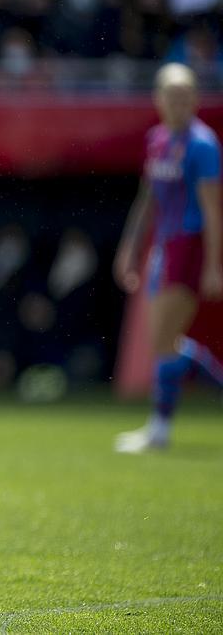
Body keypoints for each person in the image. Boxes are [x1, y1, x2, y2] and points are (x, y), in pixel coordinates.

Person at [114, 62, 223, 453]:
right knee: (165, 342)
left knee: (163, 340)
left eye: (186, 95)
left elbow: (212, 209)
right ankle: (160, 425)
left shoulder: (204, 144)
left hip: (189, 244)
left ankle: (159, 428)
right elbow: (147, 200)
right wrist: (129, 247)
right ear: (158, 99)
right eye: (171, 95)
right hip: (163, 245)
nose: (179, 103)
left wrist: (213, 264)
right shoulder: (157, 139)